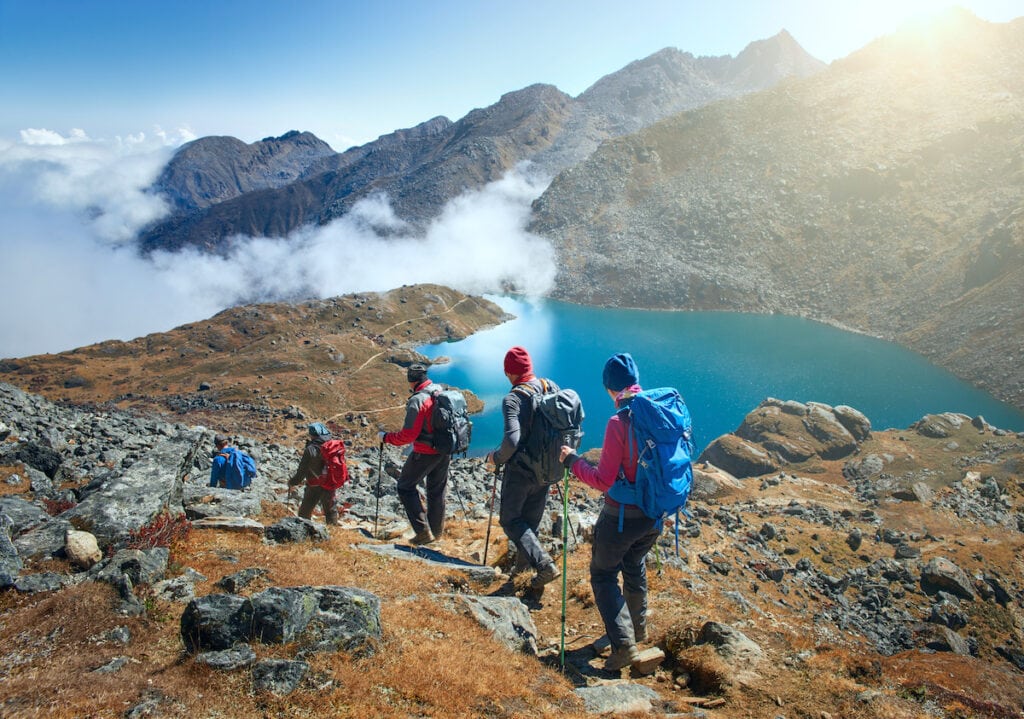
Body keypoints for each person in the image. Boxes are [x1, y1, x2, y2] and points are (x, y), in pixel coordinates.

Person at [559, 352, 661, 672]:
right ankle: (638, 628)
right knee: (634, 563)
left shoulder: (619, 422)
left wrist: (573, 462)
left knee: (603, 574)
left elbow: (603, 480)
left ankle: (623, 646)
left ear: (609, 389)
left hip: (622, 517)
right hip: (655, 515)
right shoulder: (660, 412)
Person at [485, 346, 561, 591]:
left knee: (510, 520)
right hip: (548, 470)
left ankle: (544, 565)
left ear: (510, 372)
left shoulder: (514, 398)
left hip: (522, 472)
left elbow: (512, 441)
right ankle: (523, 573)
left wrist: (495, 459)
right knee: (530, 522)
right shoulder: (550, 386)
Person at [379, 363, 450, 545]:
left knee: (405, 487)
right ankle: (436, 533)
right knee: (436, 491)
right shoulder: (438, 390)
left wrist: (386, 437)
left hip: (425, 452)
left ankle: (423, 533)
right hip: (444, 450)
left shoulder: (417, 400)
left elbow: (408, 435)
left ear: (411, 380)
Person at [288, 422, 340, 525]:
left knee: (304, 512)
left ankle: (305, 530)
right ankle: (333, 532)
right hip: (330, 482)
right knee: (330, 511)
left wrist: (292, 482)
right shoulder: (333, 445)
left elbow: (302, 471)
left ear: (312, 434)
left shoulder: (310, 449)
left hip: (314, 485)